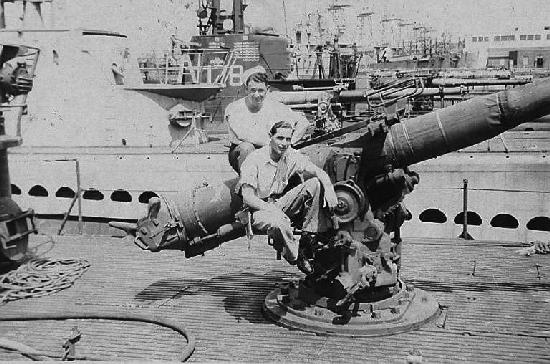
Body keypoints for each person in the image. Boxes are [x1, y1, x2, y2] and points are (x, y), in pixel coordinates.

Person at [237, 121, 338, 274]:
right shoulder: (254, 160)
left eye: (288, 139)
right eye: (280, 138)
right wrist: (271, 209)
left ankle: (308, 237)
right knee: (278, 222)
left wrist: (329, 189)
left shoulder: (290, 155)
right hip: (259, 208)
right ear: (270, 137)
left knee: (315, 184)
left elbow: (318, 172)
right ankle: (297, 257)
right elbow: (248, 197)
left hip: (280, 202)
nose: (284, 144)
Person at [225, 65, 310, 173]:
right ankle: (247, 182)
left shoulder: (274, 105)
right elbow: (246, 136)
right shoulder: (234, 108)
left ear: (267, 90)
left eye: (261, 90)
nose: (256, 95)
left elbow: (303, 122)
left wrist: (291, 142)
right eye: (253, 90)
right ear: (246, 89)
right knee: (247, 148)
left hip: (269, 150)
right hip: (243, 153)